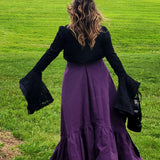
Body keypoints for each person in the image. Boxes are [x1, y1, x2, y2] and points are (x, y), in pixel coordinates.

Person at [19, 0, 143, 159]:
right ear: (94, 11)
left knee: (76, 121)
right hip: (100, 80)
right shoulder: (102, 32)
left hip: (74, 81)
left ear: (73, 11)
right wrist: (124, 78)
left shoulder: (65, 33)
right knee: (101, 117)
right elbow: (112, 57)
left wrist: (35, 72)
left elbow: (50, 53)